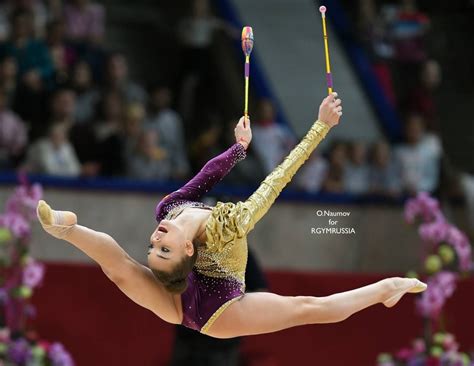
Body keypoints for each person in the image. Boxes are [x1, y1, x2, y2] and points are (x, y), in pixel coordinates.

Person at [36, 93, 426, 338]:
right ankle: (384, 290)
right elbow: (278, 178)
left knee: (120, 270)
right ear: (187, 248)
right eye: (164, 248)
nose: (156, 238)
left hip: (181, 294)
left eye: (152, 245)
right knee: (308, 307)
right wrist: (321, 127)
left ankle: (63, 229)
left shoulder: (168, 210)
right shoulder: (229, 226)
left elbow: (205, 176)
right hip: (217, 312)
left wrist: (238, 149)